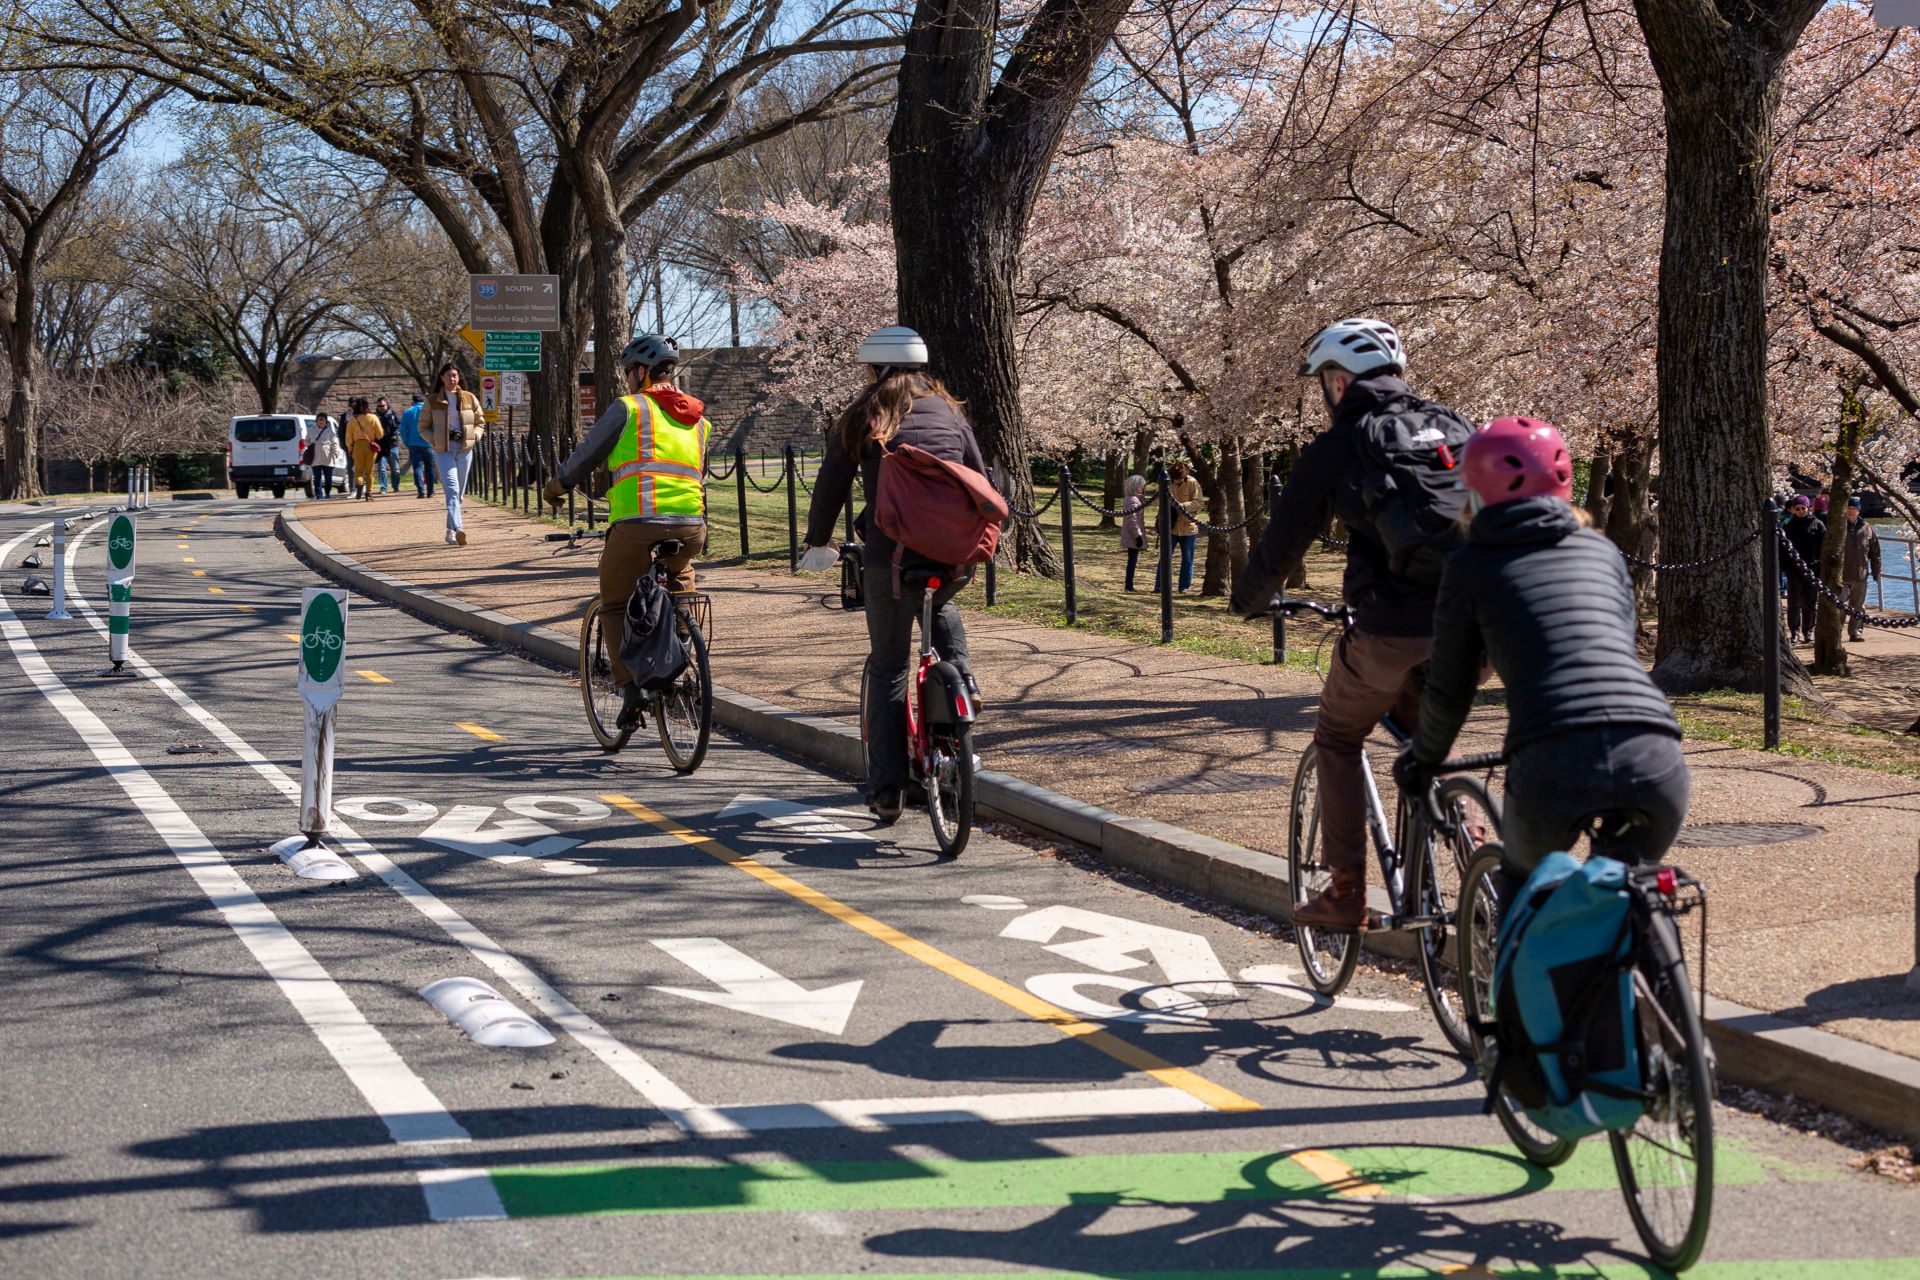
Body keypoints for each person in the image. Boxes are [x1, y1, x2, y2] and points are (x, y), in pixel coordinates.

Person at [1394, 417, 1687, 901]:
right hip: (1654, 747)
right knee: (1621, 899)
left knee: (1525, 893)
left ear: (1472, 489)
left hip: (1554, 755)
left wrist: (1423, 759)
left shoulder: (1470, 566)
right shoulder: (1602, 550)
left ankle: (1518, 974)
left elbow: (1450, 689)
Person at [1228, 316, 1459, 929]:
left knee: (1336, 735)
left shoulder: (1341, 444)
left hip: (1390, 626)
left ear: (1337, 381)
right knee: (1430, 738)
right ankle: (1471, 845)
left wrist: (1247, 600)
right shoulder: (1453, 425)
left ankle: (1347, 893)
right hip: (1477, 621)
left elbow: (1283, 543)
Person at [795, 325, 986, 824]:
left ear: (874, 368)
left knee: (887, 666)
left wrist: (818, 542)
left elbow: (832, 483)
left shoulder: (867, 413)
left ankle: (887, 790)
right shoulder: (949, 411)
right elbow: (980, 475)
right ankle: (962, 681)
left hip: (893, 557)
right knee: (941, 603)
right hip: (952, 554)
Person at [542, 334, 711, 728]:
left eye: (628, 373)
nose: (627, 380)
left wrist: (558, 487)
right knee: (681, 580)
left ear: (640, 372)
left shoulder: (630, 408)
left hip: (637, 523)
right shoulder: (700, 420)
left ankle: (631, 690)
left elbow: (588, 453)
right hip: (691, 525)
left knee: (615, 602)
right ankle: (685, 650)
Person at [425, 364, 485, 543]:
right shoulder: (432, 400)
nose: (452, 379)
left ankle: (450, 531)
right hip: (444, 450)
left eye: (455, 376)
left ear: (459, 378)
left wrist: (473, 436)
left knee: (459, 495)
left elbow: (480, 421)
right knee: (452, 489)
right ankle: (459, 528)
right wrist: (437, 439)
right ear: (442, 377)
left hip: (464, 449)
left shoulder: (469, 397)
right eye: (449, 376)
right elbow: (423, 427)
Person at [1781, 494, 1825, 644]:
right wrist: (1785, 567)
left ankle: (1809, 630)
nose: (1800, 511)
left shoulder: (1817, 525)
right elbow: (1783, 549)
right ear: (1793, 509)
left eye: (1803, 508)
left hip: (1813, 568)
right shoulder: (1788, 526)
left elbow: (1823, 546)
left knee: (1811, 601)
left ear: (1809, 508)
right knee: (1794, 602)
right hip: (1794, 570)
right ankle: (1794, 631)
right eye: (1797, 508)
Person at [1154, 461, 1202, 592]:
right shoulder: (1166, 482)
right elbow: (1157, 501)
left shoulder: (1192, 483)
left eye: (1179, 479)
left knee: (1187, 559)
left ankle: (1184, 586)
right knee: (1164, 557)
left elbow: (1198, 503)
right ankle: (1159, 586)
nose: (1177, 481)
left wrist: (1182, 505)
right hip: (1170, 526)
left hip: (1188, 527)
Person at [1842, 494, 1881, 642]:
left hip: (1860, 574)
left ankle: (1856, 631)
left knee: (1858, 606)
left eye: (1854, 508)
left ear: (1858, 511)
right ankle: (1835, 632)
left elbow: (1875, 553)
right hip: (1842, 575)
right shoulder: (1838, 527)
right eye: (1849, 508)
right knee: (1838, 606)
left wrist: (1876, 572)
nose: (1851, 511)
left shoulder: (1867, 529)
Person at [345, 397, 384, 501]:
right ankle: (369, 493)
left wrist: (350, 446)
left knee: (358, 471)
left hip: (357, 446)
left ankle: (359, 484)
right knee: (370, 471)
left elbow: (348, 436)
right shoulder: (373, 417)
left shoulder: (353, 419)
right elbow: (380, 435)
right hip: (370, 446)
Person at [399, 394, 434, 498]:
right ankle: (430, 491)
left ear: (413, 401)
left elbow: (402, 430)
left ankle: (421, 491)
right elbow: (435, 426)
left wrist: (407, 442)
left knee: (417, 467)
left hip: (413, 443)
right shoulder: (429, 411)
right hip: (428, 443)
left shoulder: (408, 412)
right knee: (429, 467)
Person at [1121, 473, 1148, 591]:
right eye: (1141, 486)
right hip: (1133, 535)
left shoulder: (1132, 498)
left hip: (1131, 534)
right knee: (1132, 560)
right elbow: (1131, 520)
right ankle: (1129, 585)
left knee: (1132, 559)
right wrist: (1138, 535)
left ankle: (1129, 584)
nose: (1142, 488)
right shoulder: (1133, 500)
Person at [307, 414, 344, 498]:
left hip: (328, 457)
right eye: (319, 419)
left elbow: (335, 442)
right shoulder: (311, 430)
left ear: (325, 421)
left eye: (322, 419)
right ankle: (319, 495)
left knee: (328, 479)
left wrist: (336, 451)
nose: (321, 421)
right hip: (315, 457)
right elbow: (306, 441)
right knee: (317, 478)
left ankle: (327, 493)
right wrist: (311, 444)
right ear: (316, 421)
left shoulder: (330, 430)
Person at [375, 396, 402, 494]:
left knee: (395, 468)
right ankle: (383, 487)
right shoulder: (375, 416)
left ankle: (395, 486)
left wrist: (396, 434)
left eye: (383, 405)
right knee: (381, 468)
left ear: (387, 405)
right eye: (379, 406)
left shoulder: (393, 415)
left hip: (392, 445)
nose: (381, 407)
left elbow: (399, 426)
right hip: (380, 445)